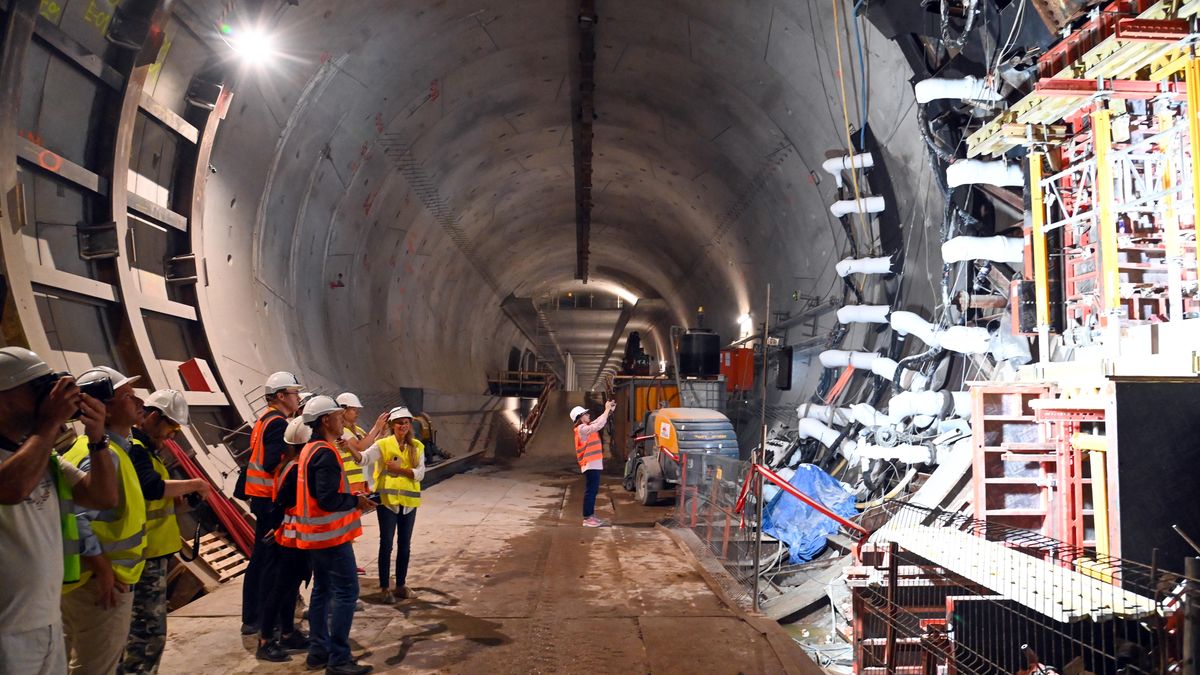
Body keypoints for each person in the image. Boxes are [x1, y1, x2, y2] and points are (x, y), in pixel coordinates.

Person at [0, 348, 115, 675]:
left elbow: (103, 496)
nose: (50, 399)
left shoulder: (44, 456)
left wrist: (97, 438)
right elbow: (10, 489)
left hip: (47, 620)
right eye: (38, 389)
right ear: (4, 395)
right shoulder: (34, 448)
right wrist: (49, 421)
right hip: (6, 634)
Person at [60, 366, 148, 674]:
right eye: (127, 396)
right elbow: (78, 515)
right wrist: (103, 570)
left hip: (93, 580)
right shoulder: (101, 454)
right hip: (101, 585)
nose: (138, 402)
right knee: (95, 667)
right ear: (104, 411)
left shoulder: (111, 450)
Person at [279, 395, 374, 675]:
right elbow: (327, 499)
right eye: (337, 415)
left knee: (321, 591)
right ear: (325, 421)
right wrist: (356, 502)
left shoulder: (309, 449)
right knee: (347, 592)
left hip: (315, 537)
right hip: (330, 536)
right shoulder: (326, 453)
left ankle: (318, 652)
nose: (342, 418)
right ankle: (339, 659)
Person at [119, 390, 211, 674]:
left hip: (153, 553)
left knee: (146, 635)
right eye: (171, 427)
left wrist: (179, 500)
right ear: (154, 417)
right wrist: (195, 484)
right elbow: (152, 487)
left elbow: (151, 500)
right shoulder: (135, 448)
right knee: (146, 637)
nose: (171, 436)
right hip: (142, 556)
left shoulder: (148, 452)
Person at [240, 371, 304, 635]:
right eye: (294, 393)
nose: (298, 397)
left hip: (260, 497)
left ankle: (253, 617)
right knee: (269, 561)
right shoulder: (278, 423)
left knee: (260, 559)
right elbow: (270, 463)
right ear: (281, 396)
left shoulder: (265, 420)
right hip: (268, 499)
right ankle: (264, 618)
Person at [255, 416, 314, 662]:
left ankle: (288, 634)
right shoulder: (295, 469)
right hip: (289, 540)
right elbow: (285, 503)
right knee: (280, 590)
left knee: (289, 590)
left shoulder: (291, 464)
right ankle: (266, 640)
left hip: (292, 537)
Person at [359, 406, 424, 604]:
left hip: (409, 503)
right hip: (387, 503)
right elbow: (364, 458)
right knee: (386, 545)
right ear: (391, 425)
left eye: (405, 422)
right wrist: (350, 448)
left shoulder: (417, 447)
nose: (402, 426)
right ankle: (385, 587)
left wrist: (400, 469)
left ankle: (401, 585)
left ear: (409, 425)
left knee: (405, 546)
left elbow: (420, 473)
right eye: (399, 423)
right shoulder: (383, 444)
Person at [570, 400, 616, 528]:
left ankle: (590, 516)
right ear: (580, 418)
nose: (588, 415)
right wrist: (607, 410)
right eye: (585, 413)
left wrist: (609, 410)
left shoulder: (586, 426)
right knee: (591, 491)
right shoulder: (581, 429)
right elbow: (598, 425)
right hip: (589, 464)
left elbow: (599, 421)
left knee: (593, 490)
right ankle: (587, 518)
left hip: (593, 464)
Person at [333, 393, 386, 495]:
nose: (357, 413)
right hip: (349, 480)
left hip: (362, 478)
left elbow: (370, 446)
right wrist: (376, 427)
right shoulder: (341, 431)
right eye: (354, 410)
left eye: (358, 410)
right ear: (343, 411)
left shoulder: (358, 430)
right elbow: (360, 446)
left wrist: (382, 432)